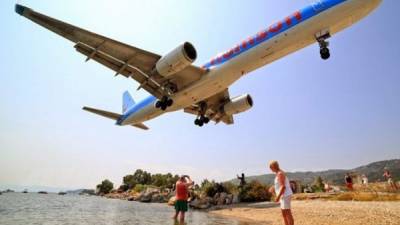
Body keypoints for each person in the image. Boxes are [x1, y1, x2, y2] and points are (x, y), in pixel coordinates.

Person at [269, 160, 294, 225]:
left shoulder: (280, 173)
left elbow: (283, 187)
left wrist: (278, 197)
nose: (270, 169)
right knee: (284, 213)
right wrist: (273, 187)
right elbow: (280, 185)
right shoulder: (278, 173)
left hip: (285, 195)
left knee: (287, 213)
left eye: (270, 167)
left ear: (273, 167)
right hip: (283, 196)